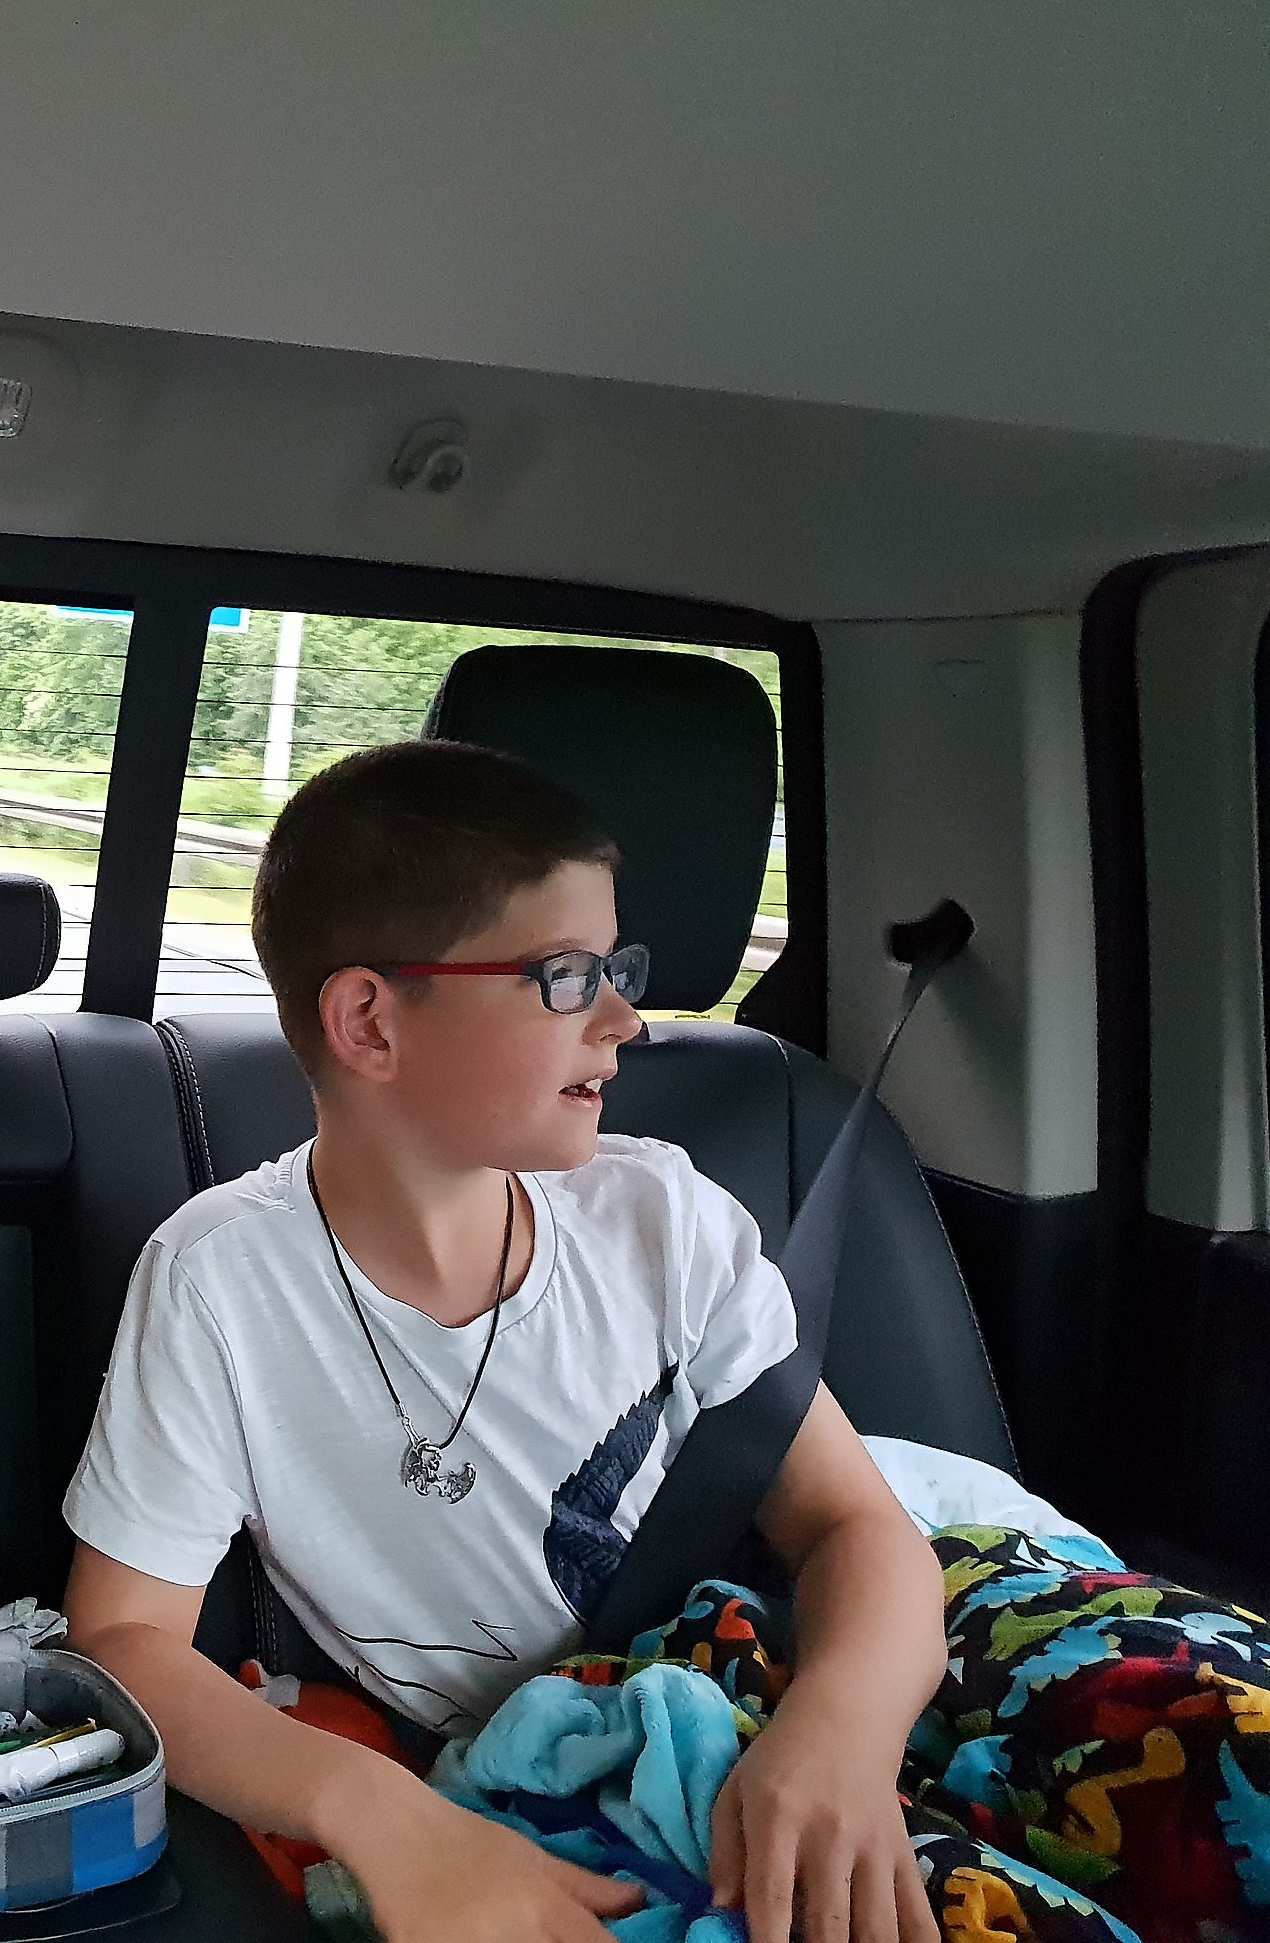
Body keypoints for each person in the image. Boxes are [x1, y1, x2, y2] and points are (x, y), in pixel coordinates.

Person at [61, 740, 947, 1943]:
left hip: (808, 1687)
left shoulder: (664, 1221)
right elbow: (124, 1635)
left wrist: (838, 1732)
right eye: (566, 976)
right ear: (369, 1020)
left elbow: (855, 1522)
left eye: (615, 968)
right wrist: (376, 1810)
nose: (626, 1020)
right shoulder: (220, 1281)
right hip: (553, 1768)